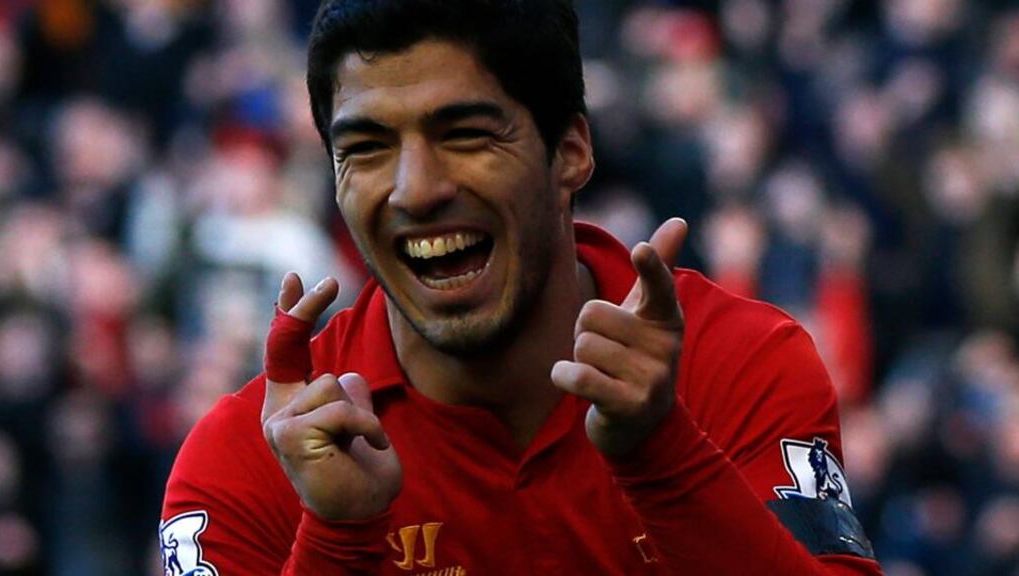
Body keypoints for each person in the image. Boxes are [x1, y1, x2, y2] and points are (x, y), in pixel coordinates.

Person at [160, 1, 884, 574]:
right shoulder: (245, 461)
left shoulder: (737, 361)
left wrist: (660, 453)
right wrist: (338, 541)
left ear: (571, 152)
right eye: (368, 149)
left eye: (466, 134)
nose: (416, 190)